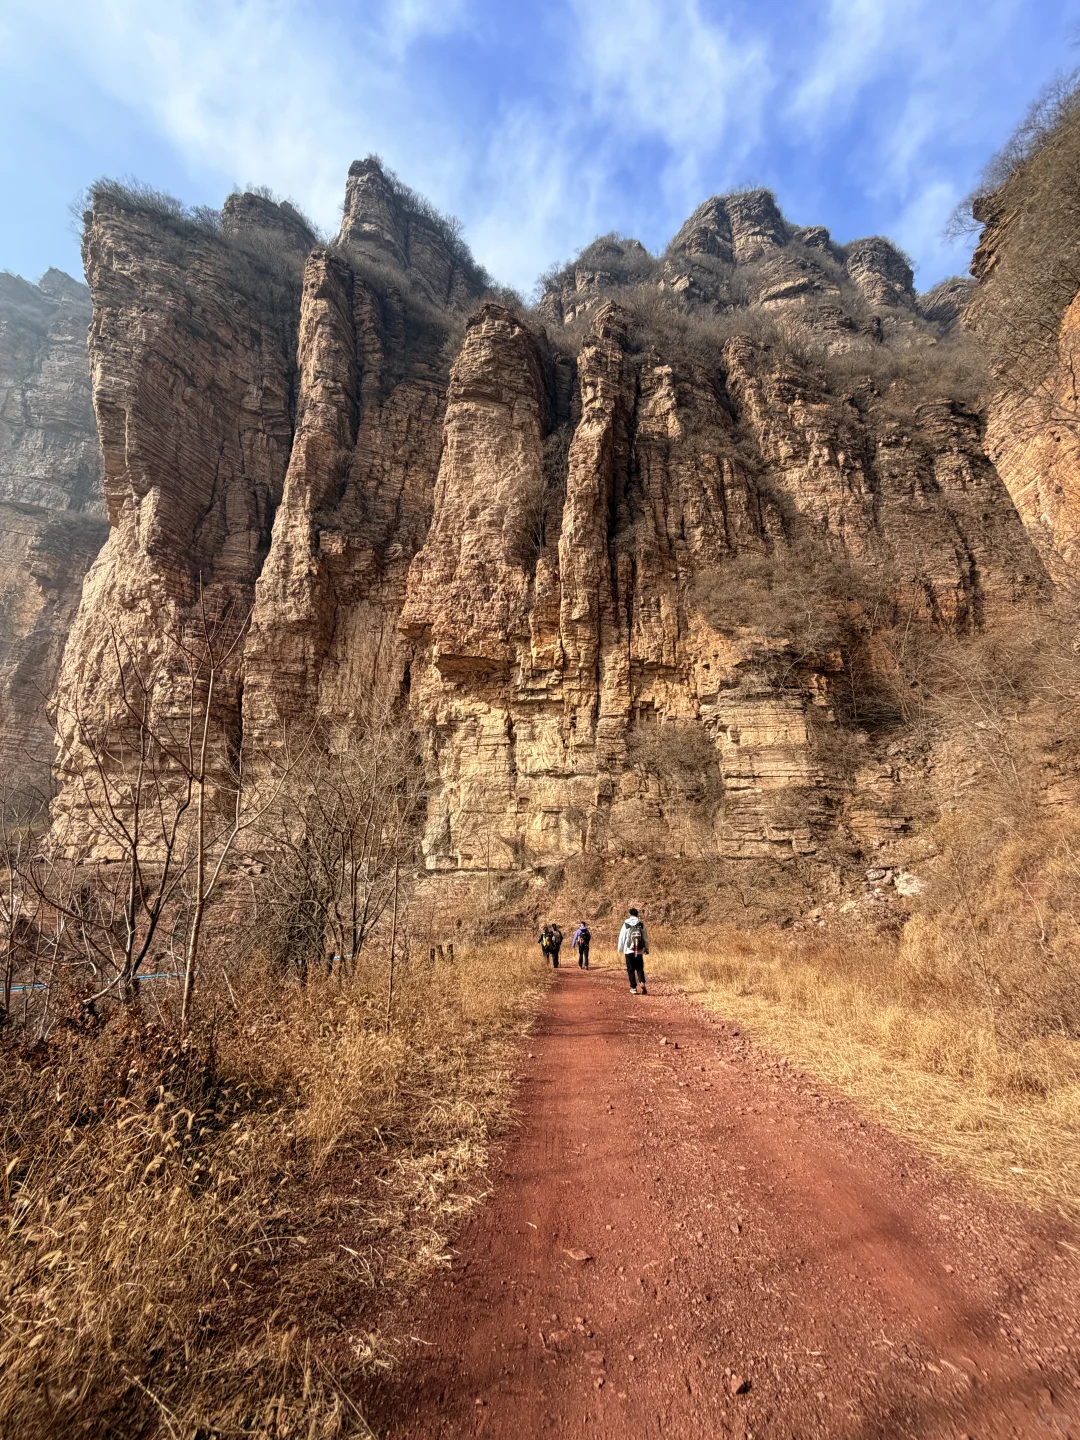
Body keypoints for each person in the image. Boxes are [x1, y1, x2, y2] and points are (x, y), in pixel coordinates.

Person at [616, 907, 649, 994]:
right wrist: (646, 948)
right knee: (639, 967)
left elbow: (622, 937)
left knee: (630, 969)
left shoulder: (626, 924)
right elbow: (645, 938)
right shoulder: (641, 924)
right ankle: (642, 982)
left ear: (630, 914)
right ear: (637, 914)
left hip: (629, 950)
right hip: (639, 950)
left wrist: (620, 948)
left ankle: (633, 988)